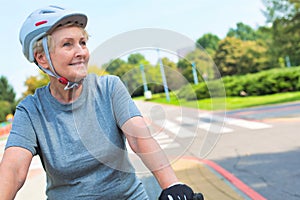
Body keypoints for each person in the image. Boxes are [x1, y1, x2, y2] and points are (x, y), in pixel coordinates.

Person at [0, 5, 200, 200]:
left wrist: (172, 185)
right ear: (42, 58)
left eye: (83, 42)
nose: (81, 52)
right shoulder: (31, 110)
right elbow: (14, 169)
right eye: (68, 44)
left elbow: (140, 138)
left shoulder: (109, 88)